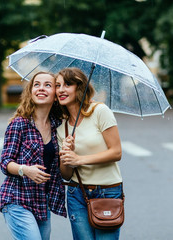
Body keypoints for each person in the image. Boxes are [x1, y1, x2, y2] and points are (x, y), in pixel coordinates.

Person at [55, 67, 123, 240]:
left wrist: (79, 159)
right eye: (57, 85)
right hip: (76, 193)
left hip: (107, 191)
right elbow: (66, 174)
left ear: (80, 87)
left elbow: (116, 152)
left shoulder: (100, 111)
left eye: (67, 85)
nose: (61, 90)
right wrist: (66, 154)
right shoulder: (61, 125)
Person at [0, 72, 66, 240]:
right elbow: (5, 162)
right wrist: (25, 170)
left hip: (42, 203)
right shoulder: (20, 123)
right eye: (37, 84)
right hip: (17, 200)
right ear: (31, 91)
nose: (41, 88)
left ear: (55, 96)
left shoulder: (58, 126)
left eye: (47, 85)